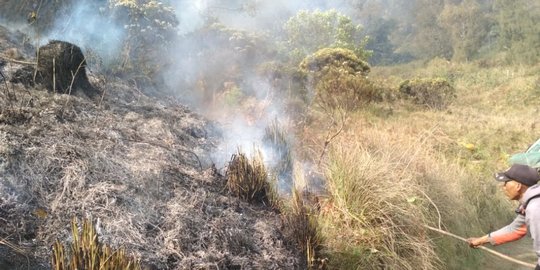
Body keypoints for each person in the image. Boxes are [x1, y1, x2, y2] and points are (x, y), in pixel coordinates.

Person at [467, 163, 540, 269]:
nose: (503, 187)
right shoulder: (530, 204)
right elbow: (515, 229)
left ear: (518, 186)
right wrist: (481, 240)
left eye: (506, 182)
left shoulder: (535, 208)